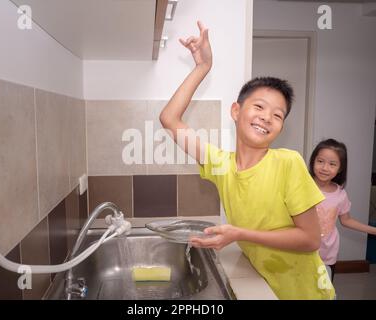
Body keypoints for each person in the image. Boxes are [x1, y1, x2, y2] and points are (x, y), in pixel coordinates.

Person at [159, 21, 335, 300]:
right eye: (259, 107)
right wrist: (202, 68)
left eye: (278, 115)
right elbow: (169, 119)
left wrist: (240, 233)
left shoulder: (288, 163)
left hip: (305, 291)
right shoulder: (221, 165)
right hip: (265, 283)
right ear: (236, 111)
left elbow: (310, 239)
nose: (267, 117)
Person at [309, 138, 376, 281]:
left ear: (340, 168)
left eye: (332, 164)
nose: (325, 168)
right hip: (302, 250)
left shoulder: (340, 194)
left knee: (324, 290)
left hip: (327, 252)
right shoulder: (303, 186)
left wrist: (373, 230)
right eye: (320, 161)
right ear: (313, 161)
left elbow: (346, 220)